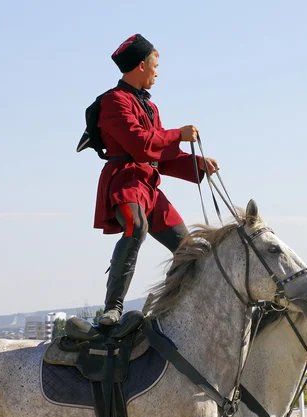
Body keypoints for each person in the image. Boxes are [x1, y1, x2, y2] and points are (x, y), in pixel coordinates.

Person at [85, 34, 218, 326]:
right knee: (136, 226)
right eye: (155, 65)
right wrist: (177, 134)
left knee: (189, 250)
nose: (158, 72)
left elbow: (160, 154)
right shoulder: (113, 101)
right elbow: (140, 144)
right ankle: (113, 308)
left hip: (149, 187)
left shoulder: (150, 107)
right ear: (142, 65)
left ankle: (175, 307)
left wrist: (198, 165)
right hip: (125, 182)